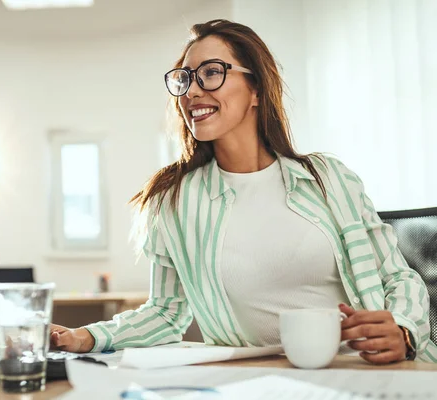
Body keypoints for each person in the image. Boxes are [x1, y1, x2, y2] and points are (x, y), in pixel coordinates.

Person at [50, 19, 437, 364]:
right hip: (257, 378)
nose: (192, 92)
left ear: (256, 89)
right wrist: (85, 337)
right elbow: (166, 312)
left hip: (360, 369)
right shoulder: (174, 200)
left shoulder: (328, 178)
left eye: (211, 73)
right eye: (184, 79)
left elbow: (397, 278)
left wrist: (403, 329)